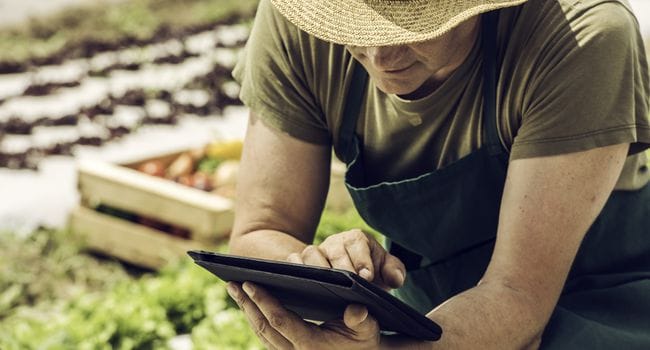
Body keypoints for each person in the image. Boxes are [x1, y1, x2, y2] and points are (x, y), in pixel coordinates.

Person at [225, 0, 650, 348]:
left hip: (603, 302)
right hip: (434, 321)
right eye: (355, 25)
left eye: (411, 28)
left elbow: (518, 295)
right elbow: (262, 228)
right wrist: (315, 270)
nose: (380, 55)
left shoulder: (583, 38)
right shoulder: (299, 21)